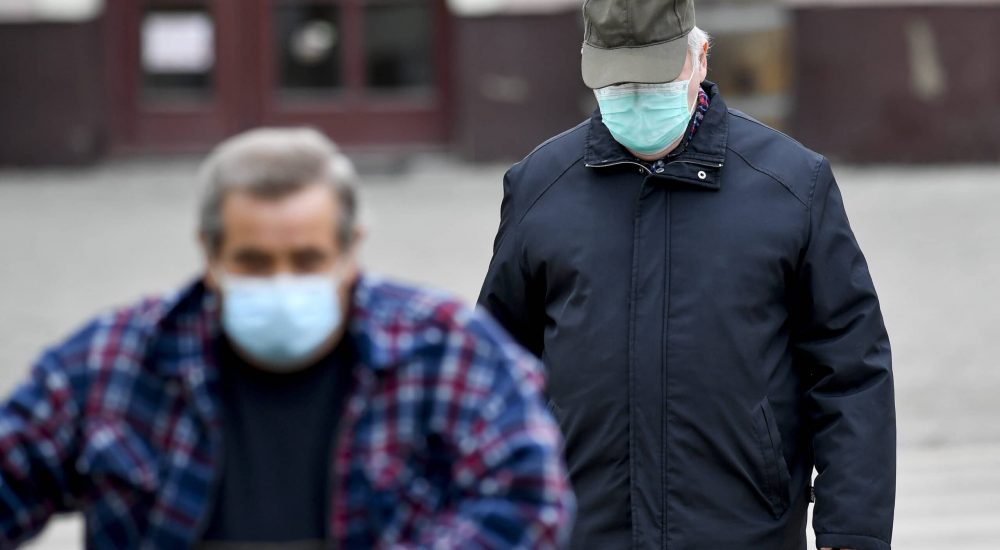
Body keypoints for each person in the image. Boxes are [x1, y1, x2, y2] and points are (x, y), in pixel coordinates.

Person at [0, 128, 573, 549]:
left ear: (350, 249)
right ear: (210, 253)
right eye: (253, 262)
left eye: (306, 260)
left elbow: (530, 502)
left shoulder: (449, 354)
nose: (282, 282)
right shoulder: (115, 364)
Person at [478, 1, 895, 549]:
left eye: (652, 80)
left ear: (700, 57)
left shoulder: (793, 185)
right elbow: (493, 366)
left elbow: (850, 365)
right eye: (617, 83)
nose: (635, 97)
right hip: (584, 529)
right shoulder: (539, 187)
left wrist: (852, 532)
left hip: (744, 529)